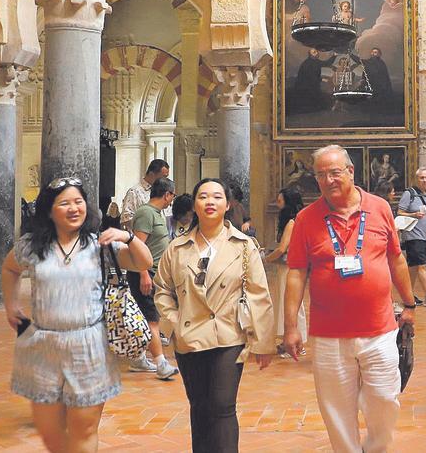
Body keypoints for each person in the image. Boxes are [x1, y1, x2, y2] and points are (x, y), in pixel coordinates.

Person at [1, 176, 154, 452]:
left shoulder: (100, 246)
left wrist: (128, 237)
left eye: (78, 202)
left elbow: (145, 261)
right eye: (65, 203)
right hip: (43, 345)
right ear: (49, 210)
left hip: (88, 346)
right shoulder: (32, 246)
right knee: (49, 431)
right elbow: (10, 268)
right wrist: (11, 305)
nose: (74, 208)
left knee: (83, 428)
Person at [282, 145, 416, 453]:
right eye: (320, 175)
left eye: (334, 173)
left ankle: (375, 448)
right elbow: (296, 273)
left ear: (351, 172)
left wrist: (409, 304)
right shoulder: (306, 218)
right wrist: (291, 327)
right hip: (329, 336)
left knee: (385, 399)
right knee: (337, 413)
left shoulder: (380, 207)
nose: (328, 180)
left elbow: (396, 259)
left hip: (380, 330)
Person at [154, 179, 276, 453]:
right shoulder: (177, 247)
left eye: (217, 197)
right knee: (199, 407)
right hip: (189, 336)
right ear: (194, 205)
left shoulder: (244, 246)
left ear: (227, 204)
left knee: (222, 407)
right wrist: (173, 323)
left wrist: (263, 342)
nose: (210, 202)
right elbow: (162, 289)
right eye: (203, 197)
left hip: (228, 334)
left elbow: (258, 293)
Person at [125, 176, 179, 380]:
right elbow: (137, 246)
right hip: (145, 274)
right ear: (167, 195)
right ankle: (161, 363)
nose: (172, 200)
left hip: (153, 273)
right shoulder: (146, 213)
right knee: (151, 320)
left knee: (148, 317)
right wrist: (144, 274)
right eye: (172, 196)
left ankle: (138, 358)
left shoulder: (155, 213)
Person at [265, 187, 308, 358]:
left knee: (292, 303)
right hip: (286, 267)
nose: (277, 203)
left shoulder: (291, 222)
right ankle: (287, 340)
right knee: (285, 302)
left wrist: (267, 258)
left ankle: (298, 342)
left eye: (280, 200)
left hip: (290, 267)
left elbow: (282, 248)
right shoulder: (294, 220)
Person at [397, 168, 426, 305]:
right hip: (413, 236)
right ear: (416, 179)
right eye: (421, 178)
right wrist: (413, 215)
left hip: (424, 236)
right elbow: (400, 212)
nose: (424, 180)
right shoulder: (410, 193)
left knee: (413, 268)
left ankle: (408, 295)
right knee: (422, 266)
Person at [120, 159, 170, 231]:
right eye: (163, 177)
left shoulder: (164, 192)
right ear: (152, 174)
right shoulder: (135, 192)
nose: (165, 181)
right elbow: (126, 220)